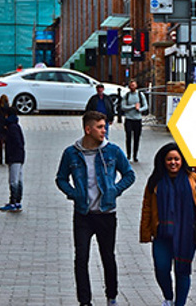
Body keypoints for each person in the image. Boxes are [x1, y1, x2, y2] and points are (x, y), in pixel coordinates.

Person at [55, 111, 135, 306]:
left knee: (108, 256)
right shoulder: (71, 153)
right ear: (87, 129)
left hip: (106, 214)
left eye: (105, 126)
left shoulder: (112, 151)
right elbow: (61, 179)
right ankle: (84, 301)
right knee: (81, 258)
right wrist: (74, 194)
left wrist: (114, 190)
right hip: (83, 214)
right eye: (99, 127)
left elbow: (129, 175)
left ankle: (112, 297)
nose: (104, 130)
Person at [140, 143, 196, 306]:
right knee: (161, 268)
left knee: (182, 271)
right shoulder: (155, 181)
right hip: (162, 234)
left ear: (182, 161)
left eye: (177, 159)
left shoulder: (193, 179)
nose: (173, 162)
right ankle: (168, 297)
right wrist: (145, 233)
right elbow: (147, 208)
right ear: (163, 161)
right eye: (169, 159)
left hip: (187, 233)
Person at [0, 106, 25, 212]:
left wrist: (10, 154)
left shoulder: (11, 127)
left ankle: (13, 201)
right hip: (20, 155)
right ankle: (18, 201)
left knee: (13, 180)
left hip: (14, 156)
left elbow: (15, 142)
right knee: (19, 179)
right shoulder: (16, 126)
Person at [119, 80, 148, 162]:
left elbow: (145, 106)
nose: (132, 87)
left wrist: (140, 109)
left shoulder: (140, 95)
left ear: (136, 86)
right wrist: (133, 106)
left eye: (134, 85)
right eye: (131, 85)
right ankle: (128, 155)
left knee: (136, 138)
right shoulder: (127, 95)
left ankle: (135, 155)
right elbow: (123, 107)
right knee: (128, 137)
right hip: (129, 119)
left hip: (137, 119)